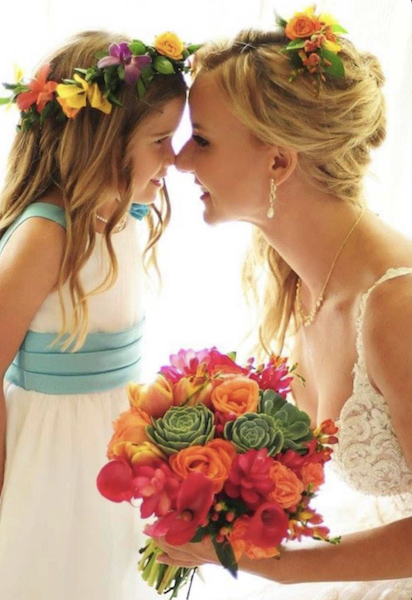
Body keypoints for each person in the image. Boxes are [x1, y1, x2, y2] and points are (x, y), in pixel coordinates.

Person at [155, 13, 412, 600]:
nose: (181, 161)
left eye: (203, 139)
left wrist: (260, 561)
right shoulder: (298, 281)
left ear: (278, 161)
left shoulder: (399, 309)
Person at [0, 29, 187, 600]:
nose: (172, 158)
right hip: (46, 454)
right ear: (103, 139)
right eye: (159, 140)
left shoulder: (125, 215)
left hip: (111, 447)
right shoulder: (45, 236)